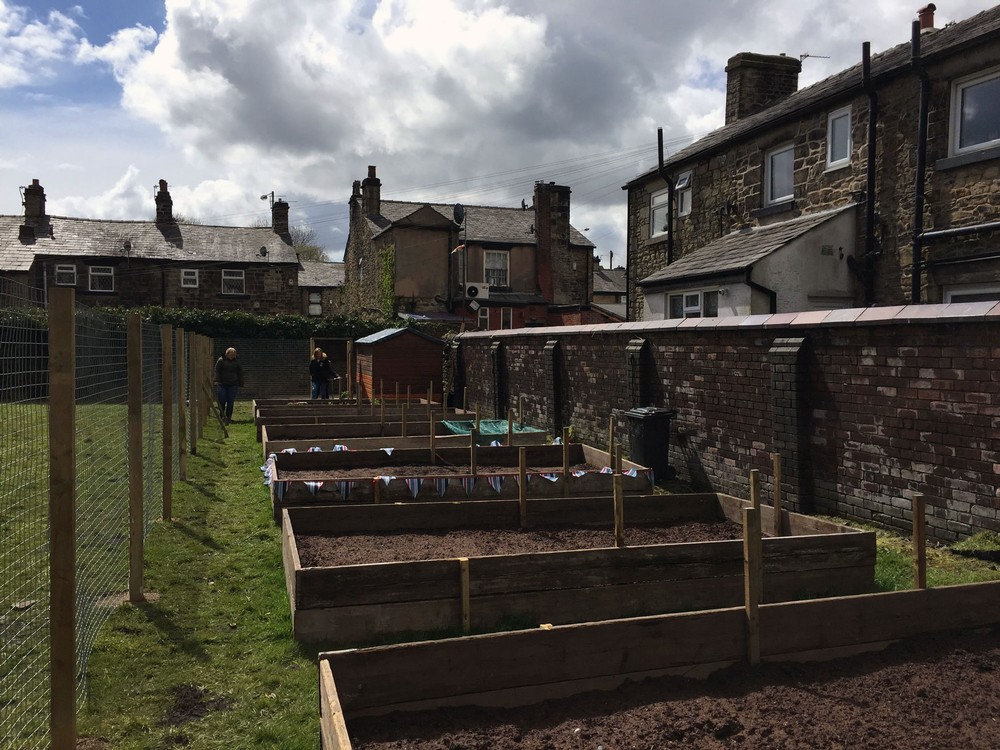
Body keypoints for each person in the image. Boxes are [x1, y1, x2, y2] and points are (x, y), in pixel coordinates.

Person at [213, 347, 244, 423]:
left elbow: (240, 372)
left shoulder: (237, 361)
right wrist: (217, 380)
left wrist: (241, 382)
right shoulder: (221, 360)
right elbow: (217, 370)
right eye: (231, 354)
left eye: (234, 355)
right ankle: (222, 416)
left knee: (230, 401)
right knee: (222, 400)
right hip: (222, 384)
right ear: (227, 354)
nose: (232, 356)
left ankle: (228, 417)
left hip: (233, 384)